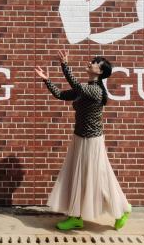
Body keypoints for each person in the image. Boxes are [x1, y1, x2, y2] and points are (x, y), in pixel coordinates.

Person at [35, 50, 131, 231]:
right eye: (93, 60)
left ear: (100, 72)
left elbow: (76, 87)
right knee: (78, 177)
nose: (91, 63)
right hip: (80, 138)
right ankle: (76, 217)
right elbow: (61, 95)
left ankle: (123, 209)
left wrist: (64, 65)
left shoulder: (95, 91)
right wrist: (47, 80)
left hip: (91, 142)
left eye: (95, 62)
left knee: (99, 178)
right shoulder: (86, 89)